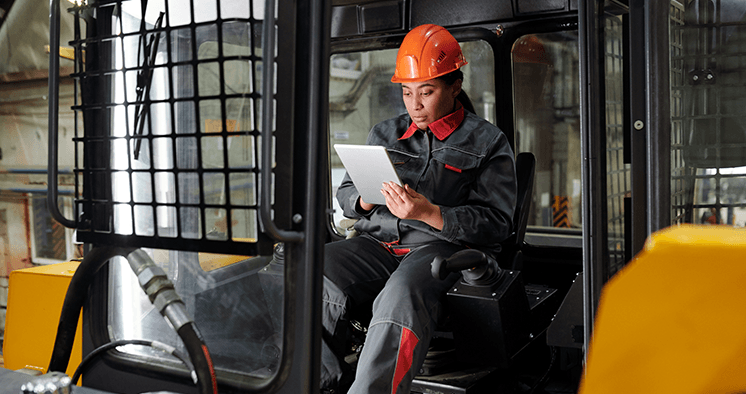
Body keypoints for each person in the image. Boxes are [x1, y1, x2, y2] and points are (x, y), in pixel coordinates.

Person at [321, 24, 517, 394]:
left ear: (455, 86)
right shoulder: (385, 133)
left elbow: (496, 224)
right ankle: (322, 384)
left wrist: (430, 213)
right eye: (407, 93)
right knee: (310, 273)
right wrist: (363, 199)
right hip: (376, 245)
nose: (415, 105)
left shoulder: (488, 142)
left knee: (402, 297)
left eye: (426, 92)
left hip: (438, 248)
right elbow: (346, 193)